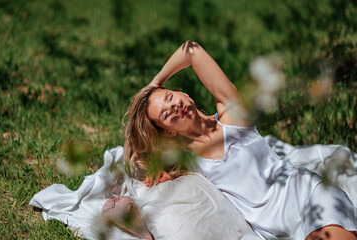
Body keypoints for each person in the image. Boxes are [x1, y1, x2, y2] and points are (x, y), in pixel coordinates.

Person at [123, 41, 357, 240]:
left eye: (170, 96)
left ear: (181, 92)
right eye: (166, 114)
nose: (174, 106)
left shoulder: (232, 115)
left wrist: (155, 83)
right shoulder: (187, 159)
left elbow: (191, 50)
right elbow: (146, 163)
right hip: (275, 229)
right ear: (169, 132)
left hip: (309, 196)